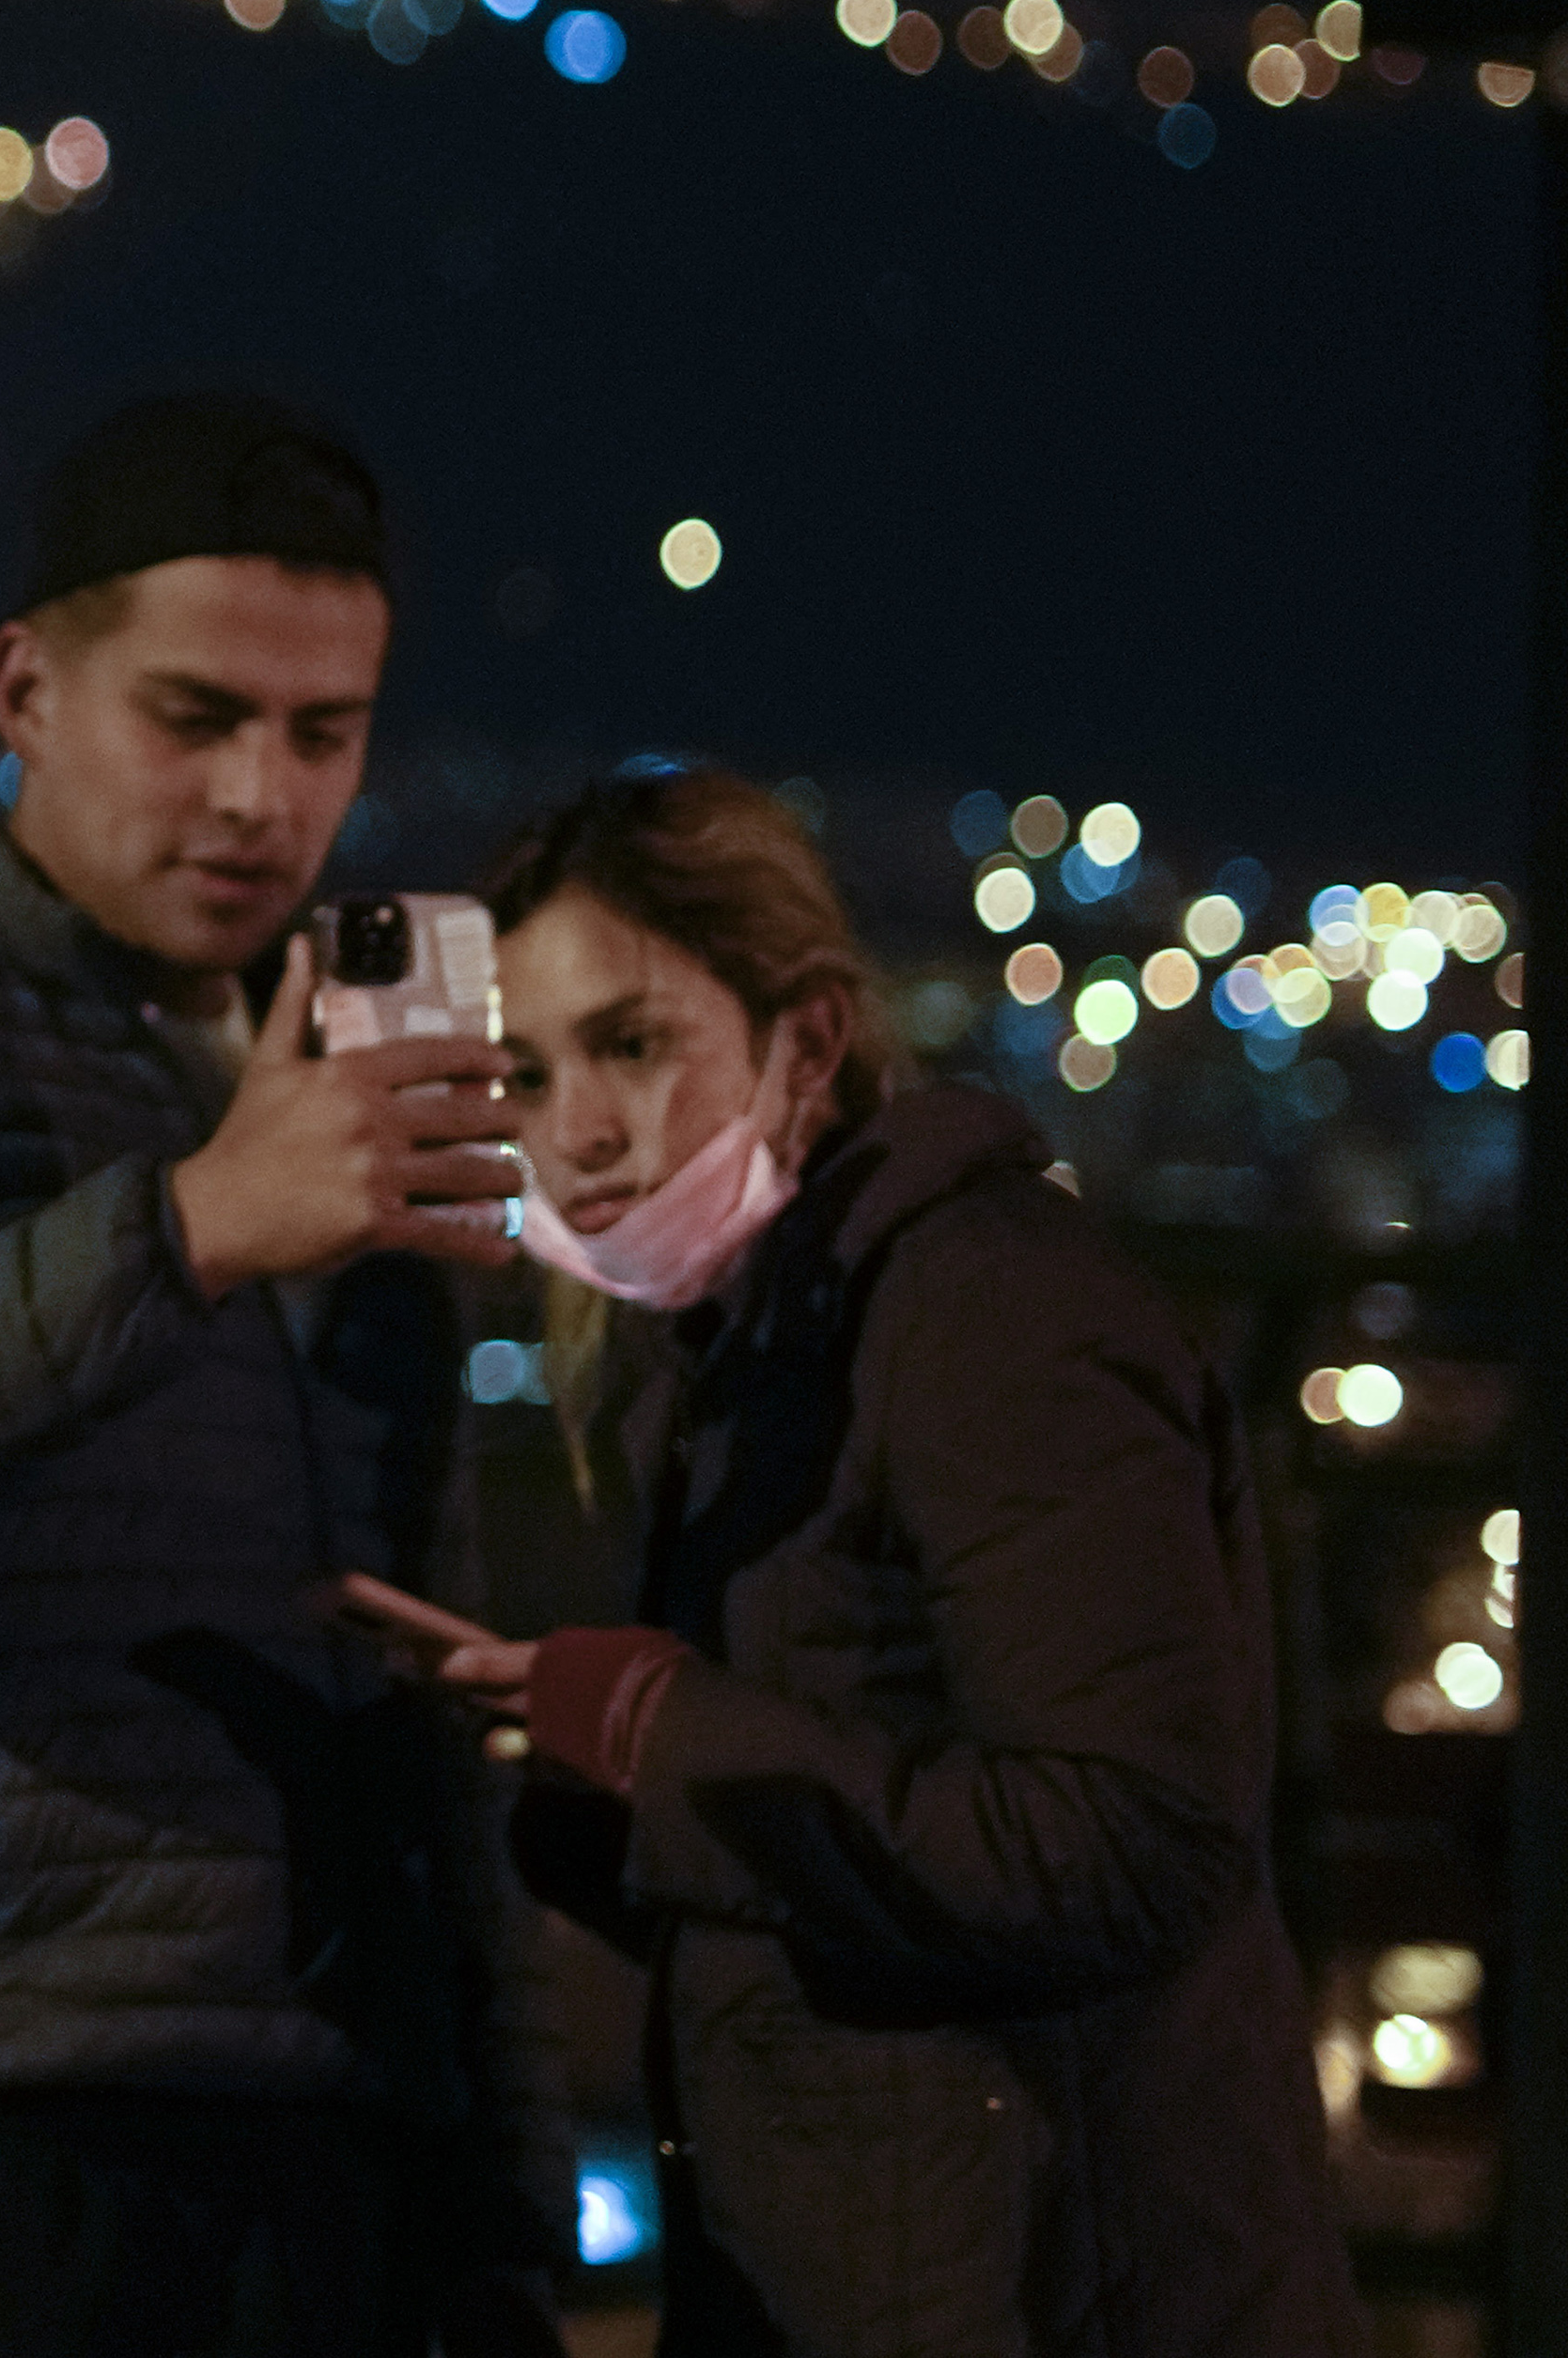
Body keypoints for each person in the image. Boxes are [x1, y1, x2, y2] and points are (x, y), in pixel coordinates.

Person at [0, 392, 561, 2357]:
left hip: (333, 2119)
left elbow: (423, 1648)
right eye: (197, 716)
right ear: (28, 691)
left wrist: (504, 2203)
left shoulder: (339, 1068)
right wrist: (196, 1222)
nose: (261, 797)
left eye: (324, 733)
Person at [349, 765, 1356, 2354]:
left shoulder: (983, 1310)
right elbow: (857, 1849)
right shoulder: (751, 1348)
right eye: (523, 1076)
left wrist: (659, 1728)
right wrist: (579, 1784)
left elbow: (1132, 1842)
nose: (580, 1131)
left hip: (1064, 2298)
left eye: (633, 1044)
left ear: (806, 1040)